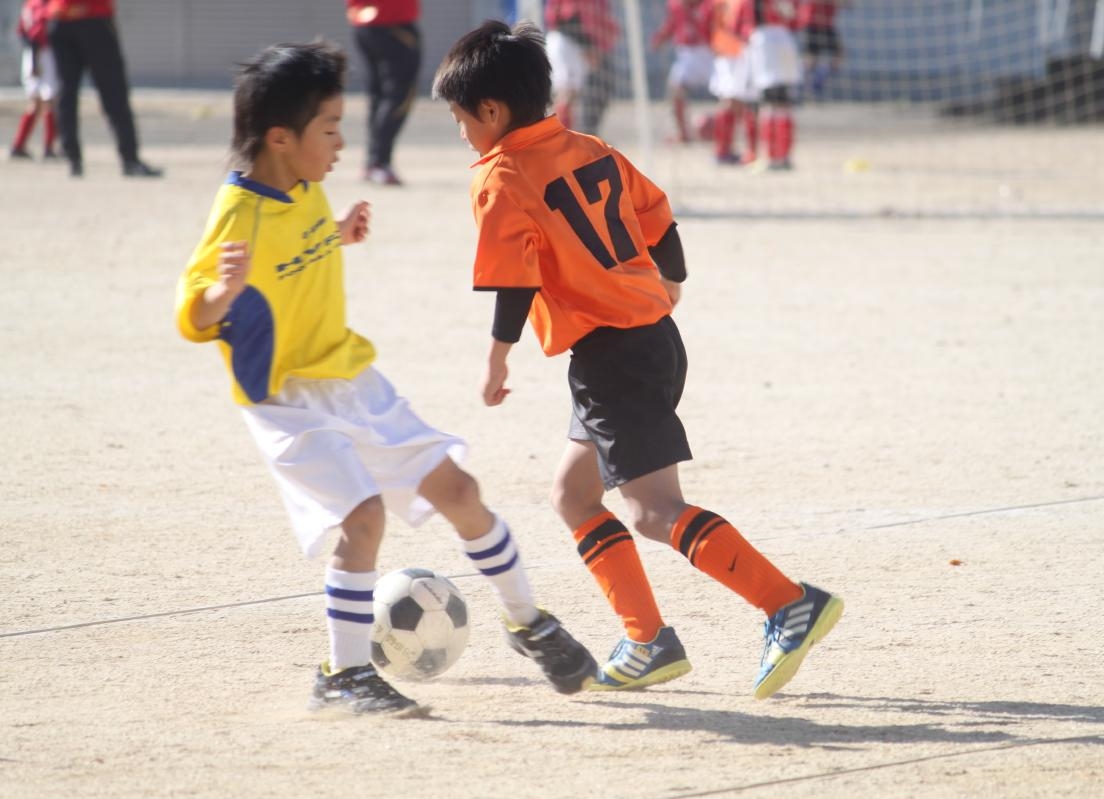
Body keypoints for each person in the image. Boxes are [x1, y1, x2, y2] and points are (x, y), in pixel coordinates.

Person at [174, 40, 597, 716]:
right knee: (363, 517)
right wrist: (221, 293)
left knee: (460, 490)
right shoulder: (237, 214)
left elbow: (295, 247)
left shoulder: (303, 186)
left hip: (352, 378)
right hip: (287, 400)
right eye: (330, 129)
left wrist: (335, 234)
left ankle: (529, 623)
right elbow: (193, 314)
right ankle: (342, 675)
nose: (342, 143)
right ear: (280, 138)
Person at [433, 20, 843, 699]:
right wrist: (671, 278)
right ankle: (648, 639)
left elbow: (514, 278)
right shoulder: (591, 147)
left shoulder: (500, 175)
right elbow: (659, 218)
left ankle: (787, 602)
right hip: (648, 339)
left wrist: (497, 357)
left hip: (611, 358)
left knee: (653, 511)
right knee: (573, 496)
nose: (460, 133)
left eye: (459, 119)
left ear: (493, 112)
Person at [45, 0, 159, 177]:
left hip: (60, 17)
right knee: (113, 91)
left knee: (66, 91)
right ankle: (129, 159)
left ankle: (72, 158)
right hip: (92, 16)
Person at [345, 0, 421, 186]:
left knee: (378, 96)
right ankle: (379, 162)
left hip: (364, 21)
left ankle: (373, 162)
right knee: (400, 95)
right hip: (392, 22)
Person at [735, 0, 804, 170]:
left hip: (765, 42)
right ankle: (784, 156)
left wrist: (746, 35)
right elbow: (798, 20)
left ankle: (771, 156)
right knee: (784, 102)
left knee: (768, 103)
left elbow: (739, 24)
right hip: (785, 40)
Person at [543, 0, 620, 134]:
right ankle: (561, 136)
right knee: (567, 93)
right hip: (565, 43)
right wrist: (588, 47)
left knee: (573, 94)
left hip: (574, 46)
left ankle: (572, 134)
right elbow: (568, 19)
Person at [650, 0, 714, 144]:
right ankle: (683, 133)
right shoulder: (675, 5)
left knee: (730, 95)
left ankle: (726, 133)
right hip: (687, 53)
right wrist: (661, 38)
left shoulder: (710, 4)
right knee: (676, 90)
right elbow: (671, 23)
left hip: (710, 52)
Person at [706, 0, 757, 164]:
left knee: (734, 101)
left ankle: (725, 150)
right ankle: (733, 151)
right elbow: (742, 26)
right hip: (736, 51)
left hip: (726, 49)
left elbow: (708, 21)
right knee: (738, 101)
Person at [10, 0, 59, 160]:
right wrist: (36, 60)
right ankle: (49, 147)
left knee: (35, 102)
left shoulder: (29, 5)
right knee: (49, 100)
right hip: (43, 54)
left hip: (30, 54)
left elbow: (22, 32)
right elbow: (39, 32)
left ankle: (19, 145)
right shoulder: (44, 5)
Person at [798, 0, 848, 98]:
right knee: (810, 59)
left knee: (841, 54)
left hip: (827, 26)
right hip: (812, 24)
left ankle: (823, 73)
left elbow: (847, 4)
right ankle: (802, 84)